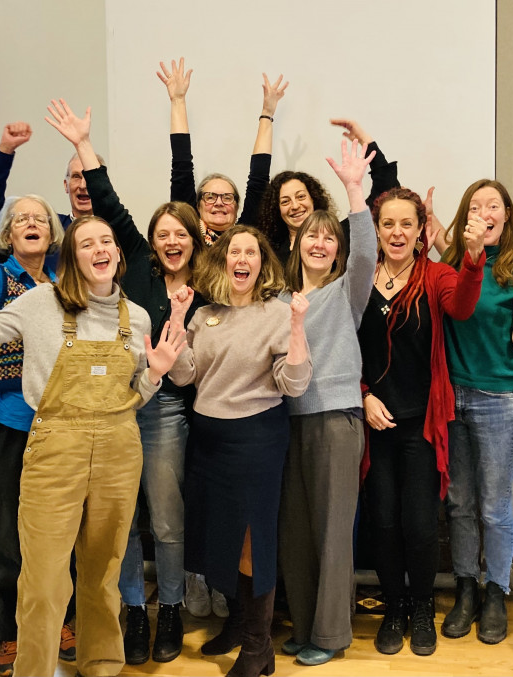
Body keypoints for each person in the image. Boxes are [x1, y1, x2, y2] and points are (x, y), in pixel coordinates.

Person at [0, 204, 187, 677]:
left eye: (106, 241)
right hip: (54, 448)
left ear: (119, 254)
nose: (100, 249)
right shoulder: (39, 303)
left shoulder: (139, 318)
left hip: (119, 448)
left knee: (104, 571)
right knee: (45, 578)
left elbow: (136, 399)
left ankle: (102, 664)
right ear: (70, 257)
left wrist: (154, 374)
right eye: (86, 243)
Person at [45, 98, 208, 665]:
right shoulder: (133, 259)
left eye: (179, 234)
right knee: (120, 519)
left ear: (192, 238)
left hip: (164, 413)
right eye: (161, 233)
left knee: (165, 518)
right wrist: (82, 145)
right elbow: (107, 200)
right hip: (113, 406)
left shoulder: (207, 284)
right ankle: (131, 613)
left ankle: (171, 613)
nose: (170, 241)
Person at [169, 224, 312, 677]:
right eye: (235, 251)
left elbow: (295, 384)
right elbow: (183, 376)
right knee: (220, 537)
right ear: (224, 261)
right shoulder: (203, 314)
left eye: (251, 251)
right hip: (209, 438)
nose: (243, 258)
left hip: (257, 438)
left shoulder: (277, 312)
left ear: (262, 264)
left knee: (251, 543)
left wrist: (296, 326)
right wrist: (176, 319)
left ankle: (256, 648)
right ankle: (237, 623)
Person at [0, 188, 79, 675]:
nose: (32, 223)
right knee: (7, 535)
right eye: (21, 218)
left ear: (52, 233)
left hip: (57, 422)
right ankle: (13, 633)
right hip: (0, 421)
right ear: (7, 233)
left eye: (41, 219)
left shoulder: (67, 282)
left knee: (58, 532)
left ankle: (60, 622)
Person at [356, 186, 484, 657]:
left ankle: (422, 606)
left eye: (405, 223)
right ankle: (393, 608)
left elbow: (462, 306)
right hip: (373, 423)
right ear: (376, 229)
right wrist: (364, 396)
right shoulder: (358, 278)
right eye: (387, 223)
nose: (396, 232)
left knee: (420, 524)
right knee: (383, 523)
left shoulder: (437, 275)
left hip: (422, 425)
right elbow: (345, 350)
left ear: (420, 229)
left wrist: (473, 260)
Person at [276, 140, 377, 666]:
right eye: (310, 236)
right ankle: (306, 624)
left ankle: (332, 634)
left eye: (327, 238)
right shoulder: (278, 299)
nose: (319, 243)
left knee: (334, 530)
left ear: (336, 249)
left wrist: (354, 189)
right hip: (286, 423)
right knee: (295, 532)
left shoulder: (346, 292)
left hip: (335, 420)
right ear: (296, 245)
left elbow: (367, 253)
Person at [437, 180, 513, 645]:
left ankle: (496, 591)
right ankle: (466, 588)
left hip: (496, 399)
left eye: (493, 205)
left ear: (506, 215)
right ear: (465, 217)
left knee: (494, 506)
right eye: (475, 206)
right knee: (458, 503)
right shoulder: (449, 266)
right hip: (450, 397)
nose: (483, 212)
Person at [160, 57, 286, 246]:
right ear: (198, 205)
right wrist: (178, 101)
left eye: (227, 198)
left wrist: (267, 114)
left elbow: (259, 180)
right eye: (210, 197)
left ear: (236, 207)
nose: (219, 203)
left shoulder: (246, 236)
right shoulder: (187, 233)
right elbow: (181, 165)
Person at [257, 118, 399, 263]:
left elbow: (386, 192)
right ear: (277, 209)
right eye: (285, 201)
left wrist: (365, 141)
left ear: (314, 199)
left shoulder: (340, 236)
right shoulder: (269, 253)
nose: (295, 206)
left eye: (300, 197)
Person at [0, 120, 96, 228]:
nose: (83, 185)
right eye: (76, 177)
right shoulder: (48, 227)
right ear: (66, 185)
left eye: (90, 178)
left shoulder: (113, 226)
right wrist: (6, 149)